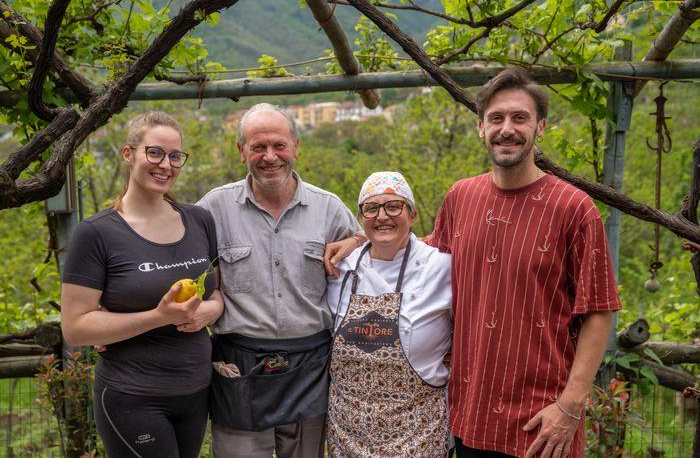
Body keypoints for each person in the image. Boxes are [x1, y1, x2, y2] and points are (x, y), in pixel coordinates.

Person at [326, 68, 621, 458]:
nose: (507, 129)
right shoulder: (462, 197)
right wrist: (362, 238)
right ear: (481, 128)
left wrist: (569, 405)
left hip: (541, 421)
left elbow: (599, 311)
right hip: (469, 417)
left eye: (520, 118)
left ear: (541, 127)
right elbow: (419, 250)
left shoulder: (573, 209)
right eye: (496, 118)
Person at [196, 103, 359, 458]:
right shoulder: (213, 209)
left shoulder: (329, 208)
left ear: (296, 147)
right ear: (242, 152)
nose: (270, 157)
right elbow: (178, 266)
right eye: (258, 147)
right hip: (238, 365)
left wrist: (357, 240)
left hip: (310, 365)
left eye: (279, 146)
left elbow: (382, 252)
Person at [60, 111, 224, 458]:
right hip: (132, 396)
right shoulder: (97, 232)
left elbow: (217, 293)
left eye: (175, 156)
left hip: (195, 391)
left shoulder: (200, 220)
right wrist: (159, 316)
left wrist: (210, 309)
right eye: (155, 153)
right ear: (128, 154)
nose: (165, 164)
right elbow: (75, 328)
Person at [325, 171, 452, 457]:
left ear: (413, 214)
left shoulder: (441, 268)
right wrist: (356, 241)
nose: (382, 216)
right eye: (371, 208)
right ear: (361, 218)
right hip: (347, 433)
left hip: (418, 434)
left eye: (394, 206)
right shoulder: (340, 267)